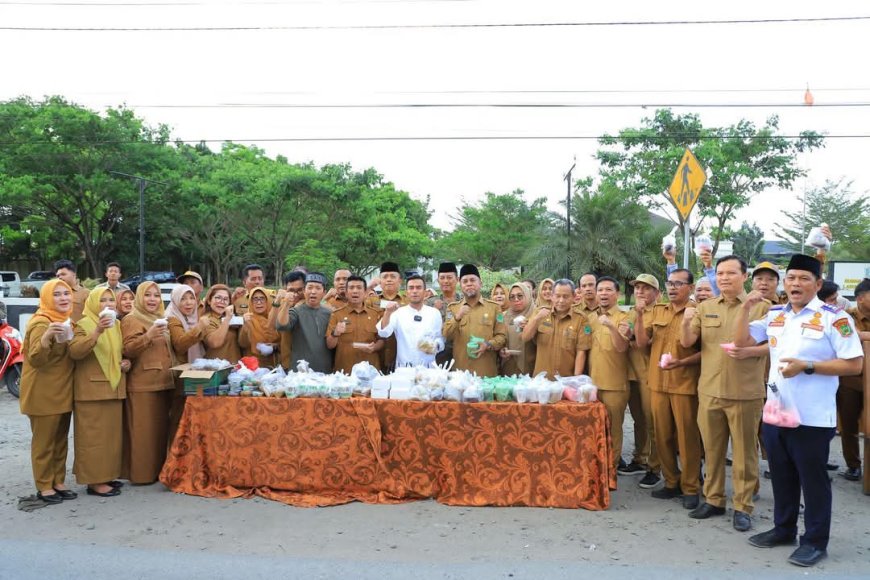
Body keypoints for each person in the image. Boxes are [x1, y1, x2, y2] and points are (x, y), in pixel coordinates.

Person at [735, 254, 863, 567]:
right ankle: (783, 528)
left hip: (813, 417)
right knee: (781, 475)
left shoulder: (835, 318)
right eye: (791, 278)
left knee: (813, 480)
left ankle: (816, 541)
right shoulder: (775, 314)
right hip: (777, 412)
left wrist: (808, 366)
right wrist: (744, 309)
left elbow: (854, 364)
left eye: (803, 279)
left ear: (817, 284)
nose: (795, 284)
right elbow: (739, 344)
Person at [680, 255, 770, 532]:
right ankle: (714, 499)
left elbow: (775, 345)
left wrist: (751, 351)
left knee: (744, 455)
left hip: (744, 392)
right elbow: (687, 342)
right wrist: (686, 321)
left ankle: (743, 506)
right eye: (720, 273)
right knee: (713, 450)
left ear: (745, 276)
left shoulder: (763, 308)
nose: (724, 278)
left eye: (731, 273)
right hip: (710, 391)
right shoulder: (705, 307)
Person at [636, 268, 703, 509]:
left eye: (679, 283)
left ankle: (691, 487)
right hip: (657, 383)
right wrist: (638, 316)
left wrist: (682, 362)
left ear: (691, 288)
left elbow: (704, 351)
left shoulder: (698, 312)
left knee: (687, 438)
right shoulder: (658, 311)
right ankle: (671, 481)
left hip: (684, 384)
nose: (672, 288)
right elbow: (642, 344)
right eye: (670, 283)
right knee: (662, 436)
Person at [19, 279, 77, 504]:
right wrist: (45, 338)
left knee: (60, 439)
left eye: (66, 293)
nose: (64, 298)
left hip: (62, 389)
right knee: (44, 442)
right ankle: (44, 485)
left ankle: (58, 481)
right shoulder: (41, 323)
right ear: (46, 298)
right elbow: (35, 359)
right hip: (42, 392)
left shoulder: (65, 321)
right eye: (57, 294)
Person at [69, 287, 129, 497]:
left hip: (113, 387)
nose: (107, 304)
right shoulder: (83, 324)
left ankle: (107, 475)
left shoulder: (117, 324)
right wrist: (97, 331)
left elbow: (118, 353)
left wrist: (126, 362)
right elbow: (75, 352)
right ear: (93, 302)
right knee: (93, 439)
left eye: (111, 300)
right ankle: (94, 482)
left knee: (110, 438)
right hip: (91, 391)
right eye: (102, 300)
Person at [120, 281, 174, 485]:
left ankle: (158, 472)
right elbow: (128, 349)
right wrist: (149, 336)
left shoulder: (160, 318)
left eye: (156, 295)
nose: (152, 299)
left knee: (159, 433)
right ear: (139, 297)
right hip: (143, 384)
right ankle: (141, 475)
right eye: (148, 295)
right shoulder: (132, 319)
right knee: (143, 433)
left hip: (163, 381)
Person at [622, 274, 662, 489]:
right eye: (637, 287)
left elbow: (643, 344)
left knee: (653, 422)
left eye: (646, 288)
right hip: (630, 373)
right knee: (638, 419)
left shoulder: (660, 313)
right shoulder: (630, 312)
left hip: (649, 374)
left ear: (656, 293)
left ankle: (655, 467)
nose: (640, 291)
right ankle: (640, 458)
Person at [588, 276, 631, 468]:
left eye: (608, 290)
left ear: (618, 294)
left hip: (614, 384)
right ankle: (596, 468)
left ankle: (611, 471)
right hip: (591, 385)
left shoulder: (625, 317)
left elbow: (622, 347)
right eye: (600, 290)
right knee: (593, 429)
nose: (603, 294)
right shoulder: (590, 318)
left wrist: (611, 326)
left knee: (613, 429)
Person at [443, 264, 507, 378]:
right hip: (460, 375)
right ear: (460, 285)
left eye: (472, 280)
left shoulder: (494, 308)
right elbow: (447, 335)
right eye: (465, 281)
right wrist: (457, 317)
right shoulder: (453, 308)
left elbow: (502, 336)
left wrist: (487, 344)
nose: (469, 283)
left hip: (486, 374)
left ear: (480, 283)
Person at [164, 284, 208, 445]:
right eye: (183, 299)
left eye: (191, 298)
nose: (189, 303)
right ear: (175, 301)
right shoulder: (172, 318)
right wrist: (199, 329)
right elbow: (180, 344)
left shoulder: (192, 317)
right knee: (179, 419)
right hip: (179, 377)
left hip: (191, 375)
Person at [521, 279, 590, 379]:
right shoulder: (540, 313)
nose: (561, 300)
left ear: (574, 297)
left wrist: (575, 380)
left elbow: (581, 351)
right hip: (542, 381)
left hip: (566, 380)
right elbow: (525, 337)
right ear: (552, 296)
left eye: (566, 296)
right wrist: (536, 319)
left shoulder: (581, 319)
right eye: (557, 296)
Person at [836, 277, 869, 482]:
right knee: (848, 426)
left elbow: (859, 336)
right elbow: (848, 335)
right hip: (849, 381)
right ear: (860, 298)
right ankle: (853, 466)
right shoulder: (844, 316)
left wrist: (863, 335)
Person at [377, 275, 443, 367]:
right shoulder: (398, 313)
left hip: (428, 368)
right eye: (411, 288)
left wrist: (436, 345)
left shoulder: (434, 313)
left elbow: (439, 338)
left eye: (418, 288)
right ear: (406, 292)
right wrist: (387, 313)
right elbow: (384, 333)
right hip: (404, 368)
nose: (415, 291)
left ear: (425, 292)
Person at [276, 272, 334, 373]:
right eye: (310, 287)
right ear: (304, 291)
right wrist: (286, 304)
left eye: (318, 288)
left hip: (325, 371)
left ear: (324, 292)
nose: (313, 292)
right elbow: (281, 325)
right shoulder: (296, 311)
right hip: (300, 372)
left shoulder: (330, 313)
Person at [327, 276, 384, 373]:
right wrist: (335, 333)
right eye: (351, 288)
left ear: (365, 292)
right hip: (344, 371)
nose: (355, 291)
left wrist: (374, 347)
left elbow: (382, 340)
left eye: (359, 288)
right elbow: (329, 345)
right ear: (346, 293)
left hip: (370, 371)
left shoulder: (375, 314)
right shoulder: (336, 314)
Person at [365, 262, 408, 371]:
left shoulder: (407, 301)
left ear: (400, 281)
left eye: (393, 276)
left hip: (401, 355)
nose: (389, 279)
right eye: (385, 277)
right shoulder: (371, 301)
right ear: (380, 281)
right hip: (376, 354)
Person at [426, 262, 462, 366]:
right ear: (438, 281)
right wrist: (433, 310)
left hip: (461, 350)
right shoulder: (430, 302)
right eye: (442, 278)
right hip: (439, 352)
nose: (446, 281)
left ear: (457, 280)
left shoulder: (465, 301)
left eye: (449, 277)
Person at [499, 282, 537, 376]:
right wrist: (501, 350)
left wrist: (530, 327)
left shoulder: (536, 314)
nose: (516, 299)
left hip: (531, 367)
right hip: (509, 366)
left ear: (527, 296)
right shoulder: (504, 316)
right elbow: (500, 338)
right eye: (512, 297)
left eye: (520, 296)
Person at [239, 287, 281, 368]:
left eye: (262, 299)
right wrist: (245, 326)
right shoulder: (248, 318)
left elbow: (283, 341)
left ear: (268, 300)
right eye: (255, 299)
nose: (259, 302)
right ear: (250, 302)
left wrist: (274, 346)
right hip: (254, 367)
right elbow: (242, 343)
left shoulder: (275, 317)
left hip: (274, 365)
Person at [272, 271, 305, 370]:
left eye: (299, 290)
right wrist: (278, 300)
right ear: (285, 289)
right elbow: (272, 325)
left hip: (306, 364)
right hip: (286, 363)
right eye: (291, 290)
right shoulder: (283, 303)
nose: (295, 294)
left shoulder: (310, 305)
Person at [201, 284, 242, 364]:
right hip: (216, 370)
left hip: (234, 369)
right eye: (218, 298)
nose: (222, 302)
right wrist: (227, 319)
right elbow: (214, 343)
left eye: (226, 299)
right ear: (209, 300)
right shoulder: (206, 320)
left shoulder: (232, 317)